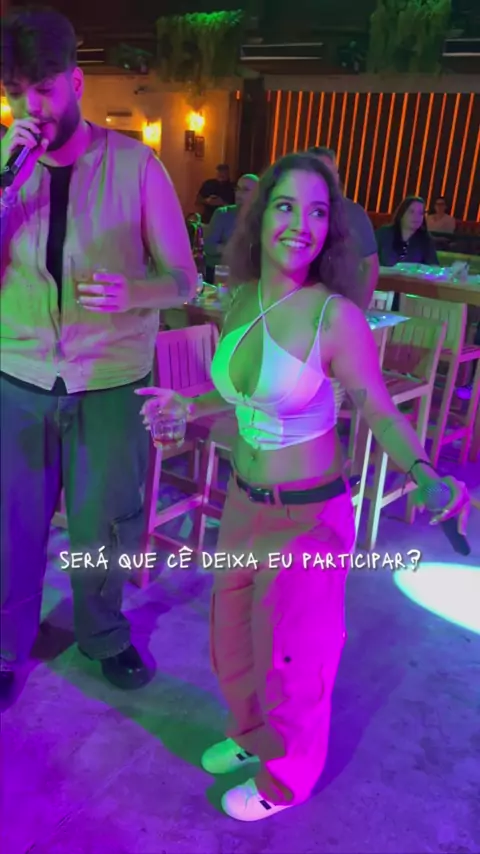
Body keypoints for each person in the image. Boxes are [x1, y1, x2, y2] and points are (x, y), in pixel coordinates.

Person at [138, 153, 470, 821]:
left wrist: (424, 473)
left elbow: (378, 408)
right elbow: (243, 393)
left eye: (318, 212)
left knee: (295, 658)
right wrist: (188, 405)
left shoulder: (334, 317)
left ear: (331, 229)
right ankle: (253, 734)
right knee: (232, 642)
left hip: (308, 517)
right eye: (287, 206)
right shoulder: (241, 298)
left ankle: (286, 778)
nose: (301, 224)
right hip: (243, 502)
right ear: (260, 216)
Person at [0, 8, 196, 703]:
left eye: (45, 87)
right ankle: (6, 643)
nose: (33, 106)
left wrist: (134, 291)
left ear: (76, 81)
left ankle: (104, 634)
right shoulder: (5, 170)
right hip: (18, 378)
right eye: (17, 91)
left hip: (112, 382)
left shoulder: (136, 166)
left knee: (104, 526)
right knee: (11, 525)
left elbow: (184, 279)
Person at [309, 146, 379, 307]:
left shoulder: (354, 213)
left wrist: (360, 308)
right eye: (323, 172)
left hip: (341, 304)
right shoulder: (297, 213)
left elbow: (371, 265)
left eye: (333, 172)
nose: (330, 178)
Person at [376, 195, 439, 310]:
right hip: (381, 292)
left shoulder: (425, 240)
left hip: (411, 296)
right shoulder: (383, 234)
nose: (416, 217)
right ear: (402, 214)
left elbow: (434, 267)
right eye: (411, 212)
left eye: (420, 213)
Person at [204, 173, 258, 282]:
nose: (239, 194)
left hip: (250, 277)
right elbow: (208, 246)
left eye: (245, 190)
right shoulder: (222, 214)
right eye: (237, 189)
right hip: (221, 274)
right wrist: (230, 249)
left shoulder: (262, 218)